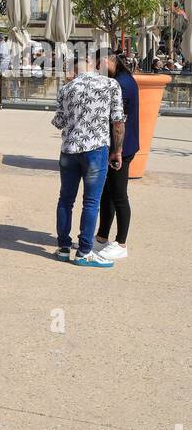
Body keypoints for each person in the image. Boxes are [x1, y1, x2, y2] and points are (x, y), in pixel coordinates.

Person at [52, 47, 125, 266]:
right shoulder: (111, 85)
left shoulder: (67, 89)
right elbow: (118, 122)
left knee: (66, 199)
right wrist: (118, 151)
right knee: (91, 202)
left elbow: (59, 122)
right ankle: (84, 252)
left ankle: (63, 247)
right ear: (93, 64)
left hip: (69, 150)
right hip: (96, 149)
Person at [94, 53, 140, 261]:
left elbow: (117, 121)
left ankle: (121, 243)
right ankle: (102, 237)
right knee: (108, 193)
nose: (97, 71)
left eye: (98, 66)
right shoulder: (124, 79)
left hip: (121, 147)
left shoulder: (119, 84)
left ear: (105, 61)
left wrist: (117, 151)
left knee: (119, 195)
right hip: (121, 145)